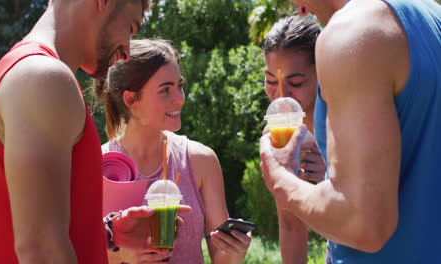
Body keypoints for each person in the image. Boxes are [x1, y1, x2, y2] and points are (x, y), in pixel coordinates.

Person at [0, 0, 190, 263]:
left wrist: (109, 234)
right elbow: (41, 250)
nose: (126, 52)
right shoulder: (44, 77)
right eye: (130, 29)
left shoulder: (25, 71)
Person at [260, 0, 441, 263]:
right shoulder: (431, 16)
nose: (300, 8)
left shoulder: (354, 33)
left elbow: (365, 224)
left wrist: (280, 180)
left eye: (296, 82)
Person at [94, 39, 252, 264]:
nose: (180, 98)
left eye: (179, 86)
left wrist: (234, 252)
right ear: (130, 99)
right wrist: (120, 255)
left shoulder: (201, 161)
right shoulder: (97, 166)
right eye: (165, 90)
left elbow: (222, 258)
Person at [262, 15, 325, 263]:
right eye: (270, 81)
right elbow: (290, 225)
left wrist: (331, 178)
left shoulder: (347, 120)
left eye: (296, 82)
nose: (280, 96)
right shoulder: (277, 135)